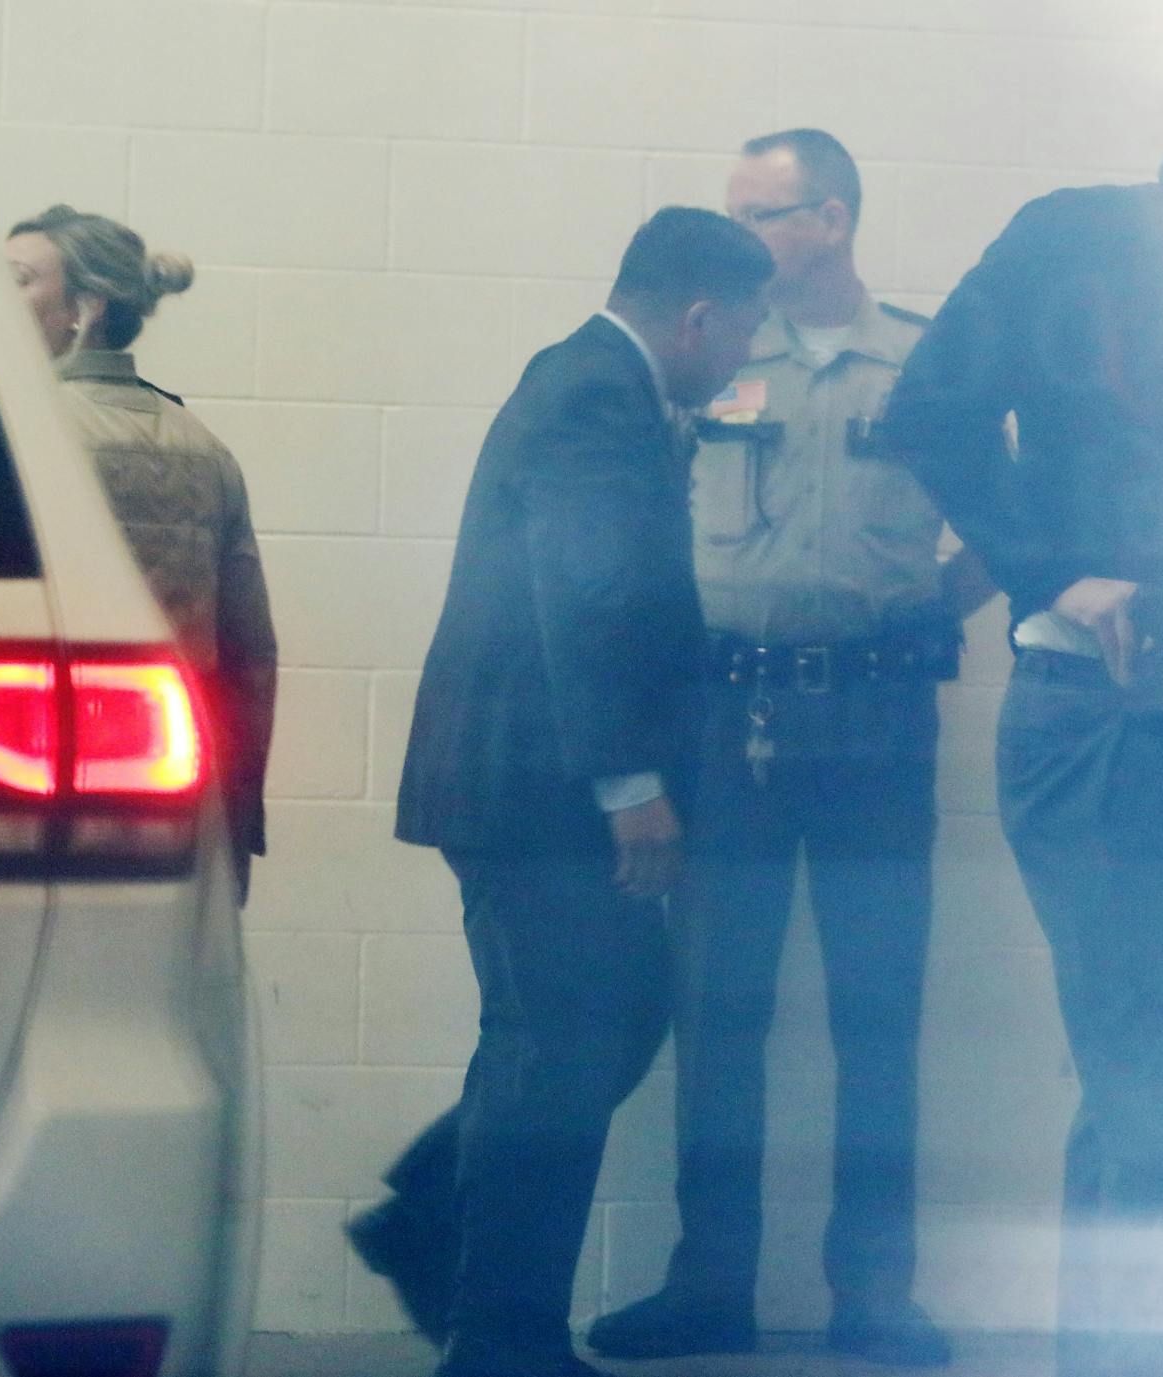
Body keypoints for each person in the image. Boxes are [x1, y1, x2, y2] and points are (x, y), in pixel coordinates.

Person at [879, 47, 1163, 1377]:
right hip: (1099, 728)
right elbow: (927, 415)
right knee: (1159, 1092)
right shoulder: (1082, 237)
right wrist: (1055, 569)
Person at [349, 207, 774, 1377]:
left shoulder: (603, 388)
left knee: (592, 1029)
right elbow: (586, 596)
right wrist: (630, 786)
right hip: (539, 793)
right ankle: (500, 1339)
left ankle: (433, 1229)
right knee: (555, 1051)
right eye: (743, 330)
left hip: (534, 788)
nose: (745, 356)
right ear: (699, 316)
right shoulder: (594, 395)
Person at [588, 129, 987, 1371]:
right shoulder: (707, 358)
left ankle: (874, 1297)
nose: (739, 235)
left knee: (878, 1018)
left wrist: (926, 608)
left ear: (830, 220)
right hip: (726, 721)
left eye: (761, 214)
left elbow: (1003, 523)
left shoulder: (922, 365)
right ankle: (709, 1286)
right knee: (719, 1016)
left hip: (876, 720)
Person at [6, 206, 278, 902]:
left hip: (32, 801)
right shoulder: (206, 449)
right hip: (175, 805)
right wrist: (237, 823)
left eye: (18, 279)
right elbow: (250, 660)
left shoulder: (13, 436)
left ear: (85, 308)